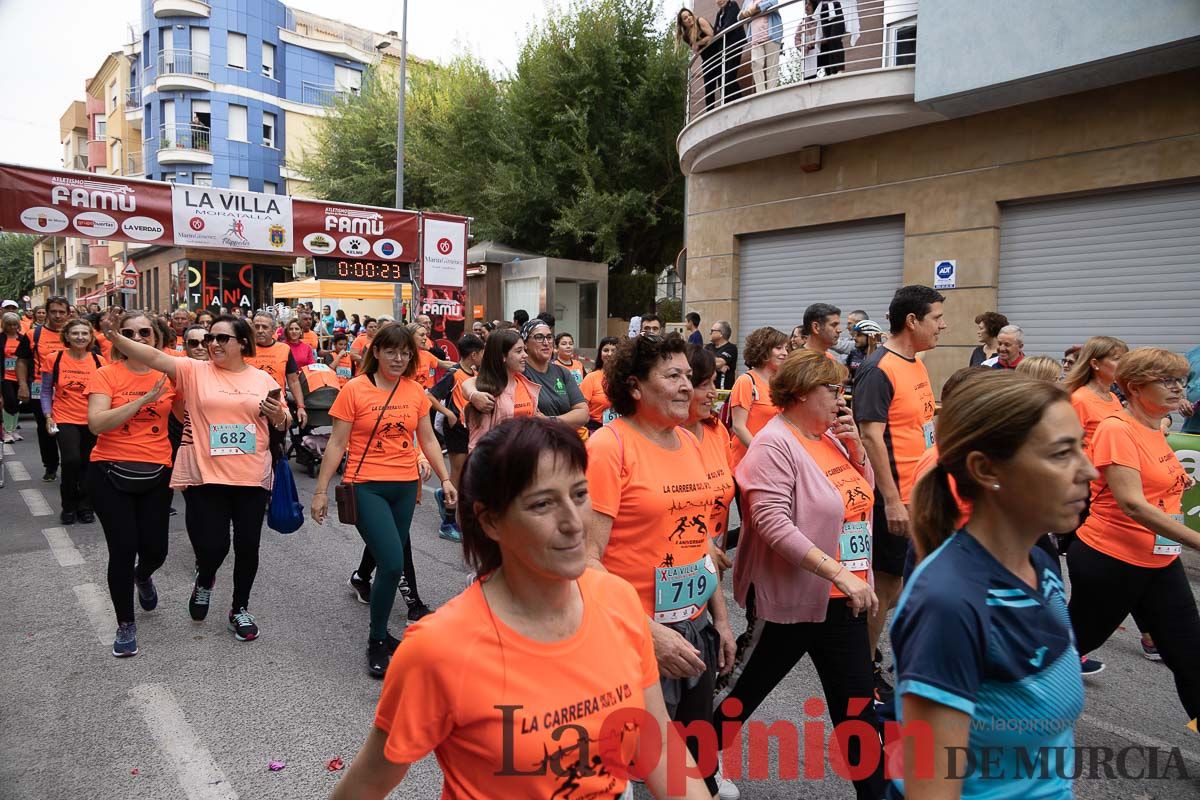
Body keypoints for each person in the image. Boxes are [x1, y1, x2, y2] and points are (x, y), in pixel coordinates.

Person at [330, 417, 712, 800]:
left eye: (580, 494)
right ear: (491, 520)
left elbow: (657, 740)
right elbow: (368, 784)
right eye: (543, 504)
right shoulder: (437, 649)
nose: (574, 523)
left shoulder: (618, 600)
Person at [894, 372, 1092, 799]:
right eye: (1062, 454)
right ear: (985, 469)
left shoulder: (1039, 563)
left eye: (1083, 447)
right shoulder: (948, 603)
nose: (1088, 471)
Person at [718, 350, 883, 800]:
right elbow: (772, 522)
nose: (840, 398)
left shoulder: (828, 435)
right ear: (800, 393)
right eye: (832, 389)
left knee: (856, 710)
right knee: (740, 697)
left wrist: (855, 449)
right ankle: (691, 763)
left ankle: (877, 794)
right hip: (790, 600)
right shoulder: (774, 444)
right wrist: (838, 573)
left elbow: (859, 495)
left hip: (841, 603)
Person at [585, 333, 736, 799]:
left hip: (692, 630)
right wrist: (649, 632)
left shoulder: (688, 443)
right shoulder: (609, 449)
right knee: (625, 772)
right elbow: (585, 563)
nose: (687, 387)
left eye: (689, 377)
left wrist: (722, 619)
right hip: (633, 636)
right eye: (672, 376)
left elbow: (700, 543)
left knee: (686, 759)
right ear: (634, 386)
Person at [110, 314, 289, 642]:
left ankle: (239, 608)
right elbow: (152, 356)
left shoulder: (262, 379)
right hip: (207, 475)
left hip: (251, 475)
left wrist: (279, 416)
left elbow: (281, 421)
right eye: (210, 338)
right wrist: (115, 337)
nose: (213, 344)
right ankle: (206, 579)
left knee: (248, 545)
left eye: (222, 339)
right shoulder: (194, 371)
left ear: (242, 344)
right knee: (212, 546)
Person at [313, 323, 454, 678]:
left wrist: (446, 477)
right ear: (376, 352)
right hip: (366, 486)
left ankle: (380, 630)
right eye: (391, 350)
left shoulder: (415, 391)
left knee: (389, 557)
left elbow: (428, 438)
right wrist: (320, 491)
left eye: (405, 352)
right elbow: (336, 443)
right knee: (392, 562)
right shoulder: (355, 390)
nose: (398, 357)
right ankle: (377, 640)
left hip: (405, 486)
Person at [1068, 348, 1200, 719]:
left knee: (1190, 655)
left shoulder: (1155, 427)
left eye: (1181, 380)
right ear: (1137, 387)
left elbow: (1152, 482)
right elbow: (1132, 504)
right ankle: (997, 700)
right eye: (1168, 381)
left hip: (1160, 560)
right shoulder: (1116, 428)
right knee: (1069, 647)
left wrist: (1179, 479)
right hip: (1110, 560)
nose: (1179, 389)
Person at [852, 284, 945, 702]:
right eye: (937, 318)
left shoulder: (917, 364)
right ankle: (863, 670)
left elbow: (922, 427)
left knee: (907, 584)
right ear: (912, 321)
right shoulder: (878, 368)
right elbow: (871, 437)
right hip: (895, 497)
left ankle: (882, 655)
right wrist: (891, 499)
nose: (943, 326)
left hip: (922, 494)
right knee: (886, 588)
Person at [86, 313, 176, 658]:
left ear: (156, 337)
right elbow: (96, 423)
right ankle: (126, 624)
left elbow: (192, 413)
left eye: (144, 332)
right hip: (109, 472)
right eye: (128, 332)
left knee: (156, 550)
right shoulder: (106, 374)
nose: (137, 337)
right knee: (123, 549)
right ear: (118, 339)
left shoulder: (170, 375)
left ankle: (144, 575)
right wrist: (142, 401)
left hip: (156, 472)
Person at [41, 319, 107, 524]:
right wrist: (48, 416)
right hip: (64, 417)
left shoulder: (99, 361)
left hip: (92, 418)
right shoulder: (55, 358)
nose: (80, 337)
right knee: (71, 461)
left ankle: (85, 506)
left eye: (84, 334)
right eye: (75, 333)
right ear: (67, 336)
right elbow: (45, 391)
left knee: (89, 462)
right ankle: (68, 505)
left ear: (90, 337)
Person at [428, 332, 485, 542]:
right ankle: (448, 523)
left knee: (468, 475)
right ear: (473, 355)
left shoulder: (474, 372)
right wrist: (449, 414)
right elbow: (431, 395)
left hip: (472, 429)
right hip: (457, 430)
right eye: (481, 353)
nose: (483, 357)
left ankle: (445, 497)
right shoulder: (453, 374)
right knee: (458, 474)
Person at [682, 345, 735, 548]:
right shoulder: (661, 436)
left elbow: (725, 494)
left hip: (714, 555)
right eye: (704, 385)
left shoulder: (717, 430)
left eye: (714, 382)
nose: (714, 393)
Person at [463, 329, 540, 451]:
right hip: (500, 465)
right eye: (519, 351)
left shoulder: (526, 384)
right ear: (502, 356)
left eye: (524, 350)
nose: (525, 355)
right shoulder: (486, 393)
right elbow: (477, 446)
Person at [728, 326, 788, 470]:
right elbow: (738, 426)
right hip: (748, 461)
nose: (785, 353)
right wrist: (761, 452)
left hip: (774, 460)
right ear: (764, 350)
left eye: (786, 348)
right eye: (779, 348)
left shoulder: (781, 383)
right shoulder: (746, 381)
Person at [515, 320, 589, 428]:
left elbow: (584, 414)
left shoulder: (562, 372)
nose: (546, 342)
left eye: (549, 337)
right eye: (539, 337)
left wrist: (550, 420)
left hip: (563, 441)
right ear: (525, 344)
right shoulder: (519, 373)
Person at [31, 296, 71, 481]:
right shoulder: (35, 334)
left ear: (68, 314)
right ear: (46, 313)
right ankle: (51, 466)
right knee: (46, 429)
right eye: (53, 311)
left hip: (71, 391)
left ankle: (71, 464)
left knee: (69, 430)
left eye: (61, 312)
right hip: (41, 388)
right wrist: (23, 384)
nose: (57, 316)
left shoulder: (76, 333)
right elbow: (23, 360)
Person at [1065, 336, 1128, 450]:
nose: (1124, 365)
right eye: (1117, 359)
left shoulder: (1113, 397)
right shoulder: (1078, 400)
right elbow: (1069, 446)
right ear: (1095, 364)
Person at [247, 311, 307, 429]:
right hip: (249, 406)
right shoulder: (244, 348)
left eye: (264, 327)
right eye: (256, 326)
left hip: (276, 407)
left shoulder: (284, 349)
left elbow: (293, 380)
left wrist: (300, 406)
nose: (260, 330)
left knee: (275, 446)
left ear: (273, 329)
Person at [677, 6, 720, 111]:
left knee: (724, 82)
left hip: (718, 54)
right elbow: (695, 49)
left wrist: (698, 42)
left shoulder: (700, 21)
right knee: (709, 88)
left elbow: (711, 35)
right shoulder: (686, 36)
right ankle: (710, 113)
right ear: (682, 23)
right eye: (685, 18)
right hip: (707, 59)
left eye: (689, 15)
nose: (689, 18)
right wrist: (698, 45)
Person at [1, 312, 31, 444]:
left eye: (14, 324)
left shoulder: (22, 338)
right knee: (9, 401)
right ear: (4, 325)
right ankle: (7, 431)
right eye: (9, 325)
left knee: (18, 402)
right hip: (5, 376)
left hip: (20, 376)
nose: (12, 327)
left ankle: (13, 429)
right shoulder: (1, 338)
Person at [740, 0, 783, 93]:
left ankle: (771, 93)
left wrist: (754, 9)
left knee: (771, 67)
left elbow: (773, 3)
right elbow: (739, 16)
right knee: (756, 63)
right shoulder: (747, 1)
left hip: (771, 34)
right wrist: (746, 13)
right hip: (755, 37)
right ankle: (761, 92)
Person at [579, 336, 620, 430]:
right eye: (606, 350)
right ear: (600, 354)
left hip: (621, 428)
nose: (609, 354)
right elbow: (580, 408)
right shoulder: (591, 377)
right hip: (595, 428)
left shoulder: (626, 378)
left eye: (614, 350)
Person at [713, 0, 747, 103]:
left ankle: (741, 103)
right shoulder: (719, 14)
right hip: (724, 49)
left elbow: (729, 26)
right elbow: (714, 32)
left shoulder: (733, 5)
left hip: (734, 45)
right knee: (723, 81)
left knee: (729, 78)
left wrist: (719, 32)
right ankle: (727, 104)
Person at [845, 318, 882, 384]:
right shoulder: (853, 353)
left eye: (859, 335)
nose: (854, 338)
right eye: (855, 335)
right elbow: (847, 377)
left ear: (871, 337)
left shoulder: (882, 356)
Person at [707, 321, 738, 391]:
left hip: (723, 392)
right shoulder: (708, 347)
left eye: (712, 331)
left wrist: (709, 362)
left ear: (721, 334)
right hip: (709, 390)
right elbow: (698, 361)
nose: (710, 333)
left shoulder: (731, 348)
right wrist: (717, 368)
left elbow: (719, 363)